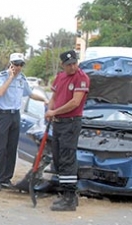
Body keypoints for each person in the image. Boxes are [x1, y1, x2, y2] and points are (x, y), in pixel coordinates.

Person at [0, 53, 48, 192]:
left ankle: (6, 179)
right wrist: (10, 77)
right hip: (3, 115)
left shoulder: (22, 79)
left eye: (21, 64)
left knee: (12, 148)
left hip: (15, 115)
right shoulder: (2, 76)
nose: (19, 67)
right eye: (16, 64)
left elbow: (30, 93)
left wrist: (45, 100)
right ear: (10, 64)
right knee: (2, 147)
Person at [44, 50, 89, 211]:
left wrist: (54, 112)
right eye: (69, 64)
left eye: (74, 63)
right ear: (63, 65)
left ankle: (69, 197)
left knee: (67, 159)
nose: (72, 66)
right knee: (58, 158)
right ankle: (67, 194)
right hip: (58, 123)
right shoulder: (60, 77)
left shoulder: (81, 77)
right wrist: (49, 111)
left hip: (70, 122)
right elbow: (54, 98)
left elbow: (75, 102)